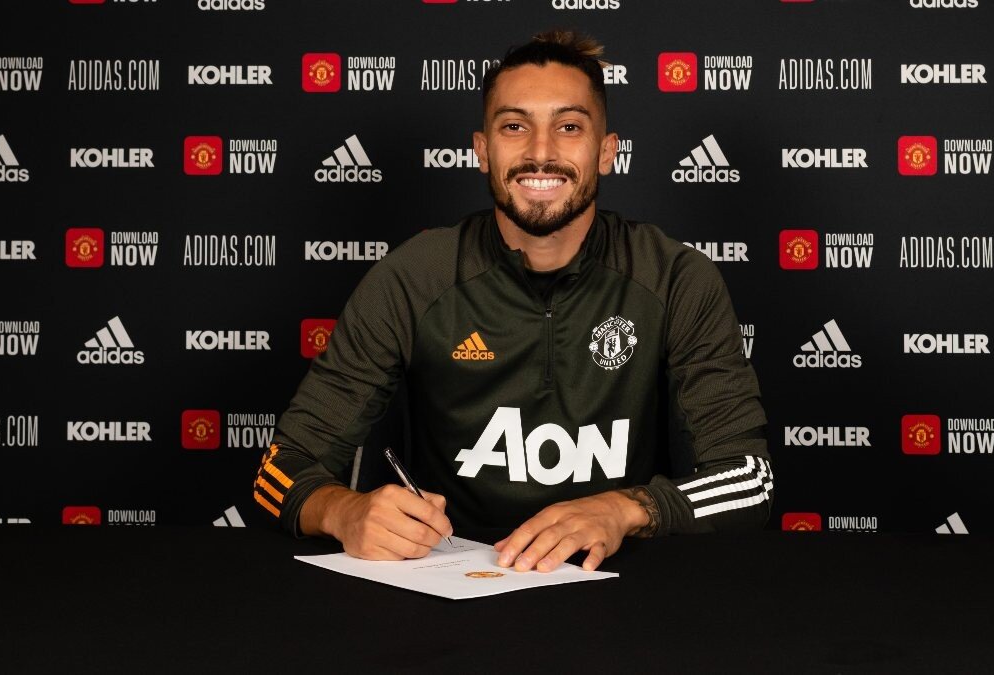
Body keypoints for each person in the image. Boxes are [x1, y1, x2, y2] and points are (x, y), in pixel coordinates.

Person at [253, 31, 772, 573]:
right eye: (514, 127)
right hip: (449, 583)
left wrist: (626, 509)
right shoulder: (414, 277)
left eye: (569, 127)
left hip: (615, 583)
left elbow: (749, 480)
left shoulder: (674, 278)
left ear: (606, 152)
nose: (540, 153)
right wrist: (344, 511)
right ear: (482, 150)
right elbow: (280, 469)